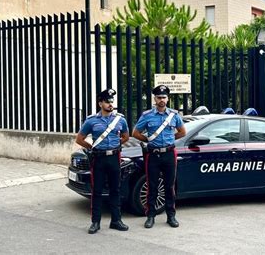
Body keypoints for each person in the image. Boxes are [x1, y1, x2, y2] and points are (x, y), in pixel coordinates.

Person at [74, 88, 130, 234]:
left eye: (112, 101)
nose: (110, 104)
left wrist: (117, 144)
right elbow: (79, 139)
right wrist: (91, 147)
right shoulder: (91, 120)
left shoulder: (120, 119)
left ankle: (116, 220)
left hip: (114, 157)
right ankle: (95, 222)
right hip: (98, 158)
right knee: (97, 190)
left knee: (115, 190)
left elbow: (125, 136)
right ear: (100, 103)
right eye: (107, 101)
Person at [132, 85, 186, 228]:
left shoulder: (174, 115)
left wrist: (170, 139)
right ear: (154, 99)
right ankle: (150, 216)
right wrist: (148, 140)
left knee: (169, 186)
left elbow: (182, 132)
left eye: (164, 97)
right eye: (159, 97)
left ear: (167, 99)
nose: (161, 100)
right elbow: (136, 133)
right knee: (152, 186)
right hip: (153, 155)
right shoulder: (147, 115)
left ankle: (171, 216)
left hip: (169, 153)